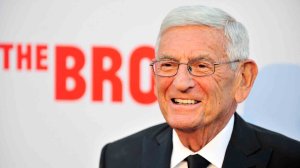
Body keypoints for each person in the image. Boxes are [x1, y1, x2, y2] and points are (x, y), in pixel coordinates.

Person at [100, 5, 300, 168]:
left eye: (202, 66)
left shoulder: (290, 160)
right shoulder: (118, 158)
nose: (180, 83)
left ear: (243, 78)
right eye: (168, 65)